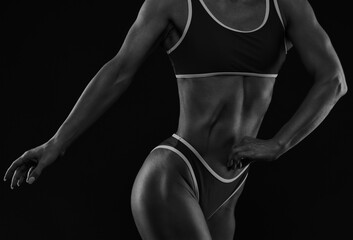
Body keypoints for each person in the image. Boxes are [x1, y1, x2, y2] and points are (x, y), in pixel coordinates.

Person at [4, 0, 347, 239]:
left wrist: (280, 144)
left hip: (228, 192)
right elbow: (119, 71)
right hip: (176, 174)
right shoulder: (175, 3)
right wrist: (56, 143)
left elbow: (334, 80)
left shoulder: (286, 6)